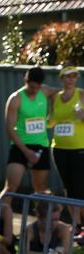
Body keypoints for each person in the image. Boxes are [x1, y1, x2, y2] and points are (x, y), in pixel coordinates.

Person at [0, 67, 58, 200]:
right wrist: (26, 152)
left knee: (41, 189)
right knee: (11, 187)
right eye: (32, 87)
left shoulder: (45, 91)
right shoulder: (16, 99)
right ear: (26, 81)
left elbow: (60, 93)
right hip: (21, 147)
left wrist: (53, 112)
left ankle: (41, 220)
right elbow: (10, 128)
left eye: (37, 87)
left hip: (40, 146)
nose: (35, 90)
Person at [50, 65, 84, 238]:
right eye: (67, 76)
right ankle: (77, 224)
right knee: (68, 188)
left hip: (79, 148)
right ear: (61, 79)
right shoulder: (56, 97)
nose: (71, 79)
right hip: (59, 148)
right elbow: (52, 121)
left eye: (74, 76)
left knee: (80, 187)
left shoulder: (82, 94)